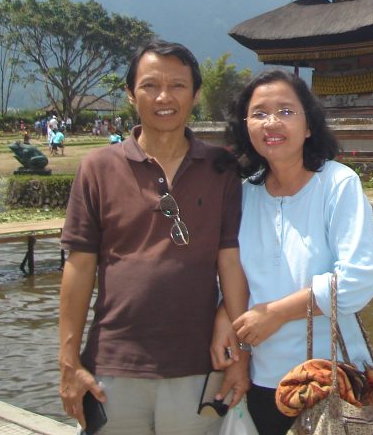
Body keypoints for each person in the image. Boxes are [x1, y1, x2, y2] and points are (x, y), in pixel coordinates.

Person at [59, 40, 250, 434]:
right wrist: (68, 362)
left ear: (196, 94)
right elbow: (78, 267)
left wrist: (242, 355)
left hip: (198, 365)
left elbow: (230, 261)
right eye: (150, 85)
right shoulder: (97, 168)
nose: (164, 97)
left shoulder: (221, 168)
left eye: (178, 86)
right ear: (131, 94)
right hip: (113, 367)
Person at [214, 69, 373, 435]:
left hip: (332, 379)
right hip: (263, 380)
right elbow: (231, 277)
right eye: (259, 113)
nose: (272, 122)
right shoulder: (243, 195)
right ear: (246, 127)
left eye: (286, 111)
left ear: (308, 126)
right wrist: (230, 330)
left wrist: (275, 313)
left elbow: (359, 280)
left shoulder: (337, 184)